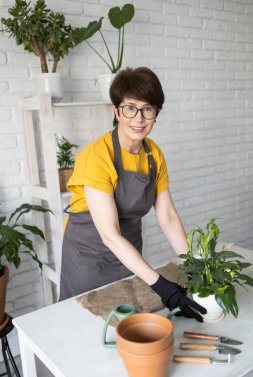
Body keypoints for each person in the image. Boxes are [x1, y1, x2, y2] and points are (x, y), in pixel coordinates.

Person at [59, 67, 206, 322]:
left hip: (129, 255)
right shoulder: (96, 156)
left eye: (148, 108)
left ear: (156, 114)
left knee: (128, 324)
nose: (139, 118)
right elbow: (109, 234)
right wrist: (161, 285)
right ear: (116, 111)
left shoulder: (153, 155)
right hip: (89, 259)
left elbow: (168, 217)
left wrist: (194, 267)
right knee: (88, 327)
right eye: (130, 107)